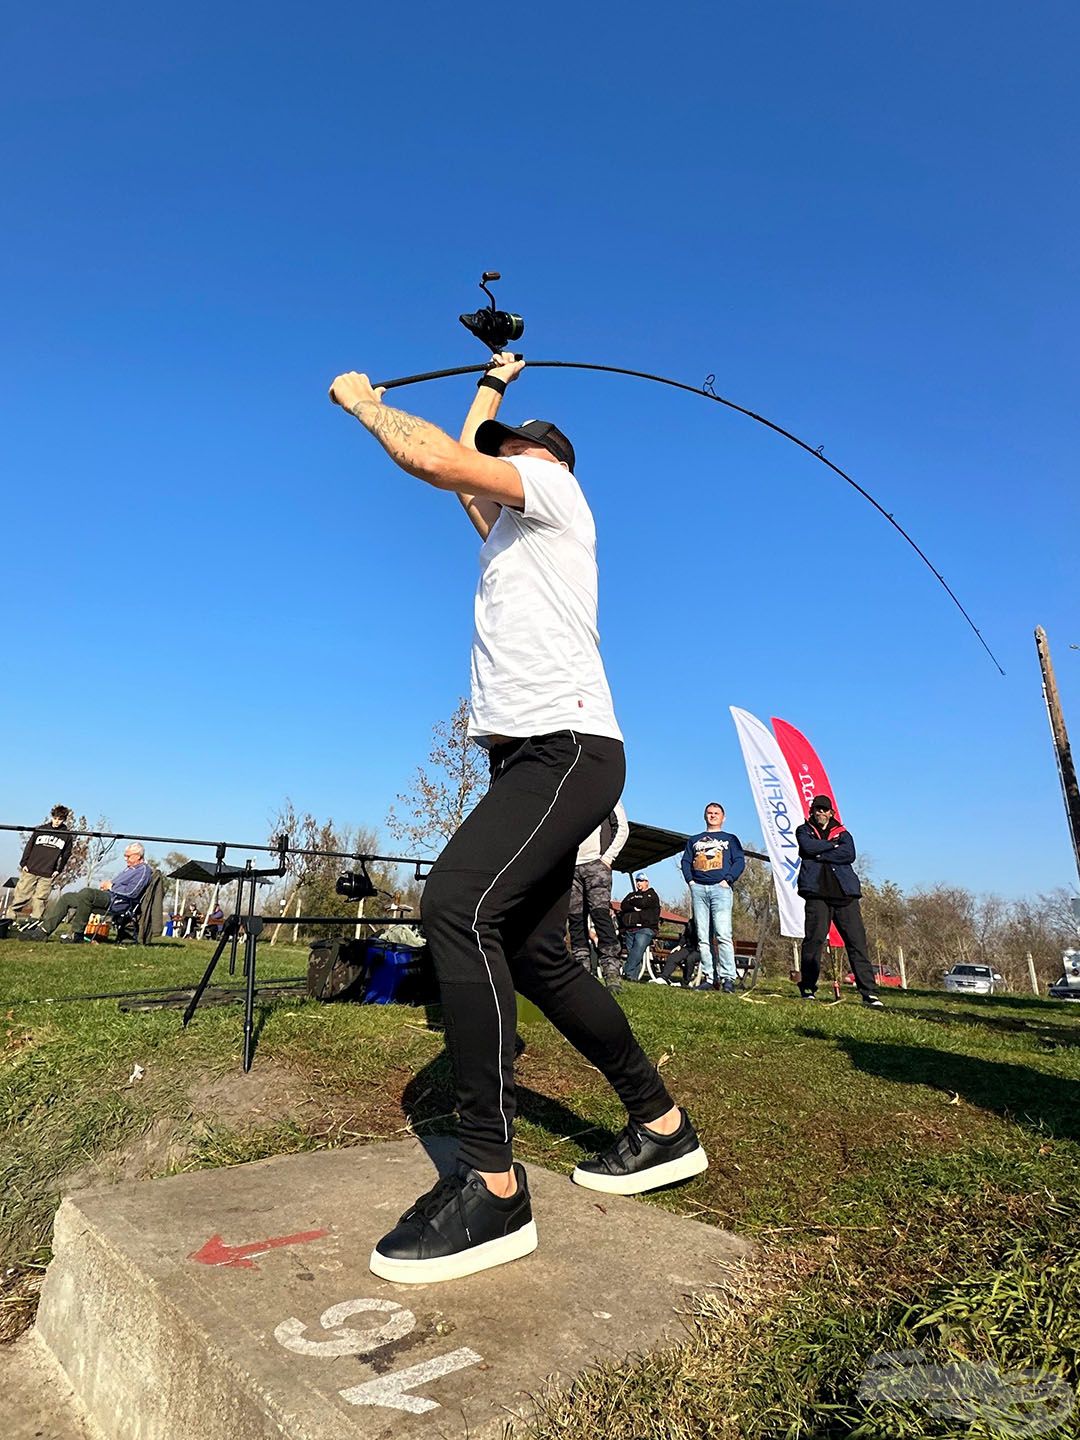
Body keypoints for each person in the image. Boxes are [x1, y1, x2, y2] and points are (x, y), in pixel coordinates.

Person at [329, 354, 708, 1284]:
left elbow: (443, 463)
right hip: (535, 757)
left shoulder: (555, 492)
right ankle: (663, 1127)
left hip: (565, 748)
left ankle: (493, 1190)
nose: (498, 462)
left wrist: (367, 405)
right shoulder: (512, 534)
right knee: (534, 951)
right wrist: (494, 381)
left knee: (457, 906)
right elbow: (462, 459)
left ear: (547, 464)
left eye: (514, 453)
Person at [795, 796, 882, 1008]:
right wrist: (832, 848)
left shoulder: (843, 833)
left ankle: (868, 993)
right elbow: (807, 847)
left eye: (824, 810)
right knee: (814, 941)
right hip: (817, 894)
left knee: (856, 942)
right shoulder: (803, 830)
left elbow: (849, 854)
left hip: (845, 895)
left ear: (831, 812)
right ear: (812, 811)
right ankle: (808, 987)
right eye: (817, 809)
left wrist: (820, 852)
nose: (821, 813)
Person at [25, 842, 153, 944]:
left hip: (118, 902)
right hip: (110, 896)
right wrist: (108, 886)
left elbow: (132, 892)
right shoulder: (130, 869)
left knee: (87, 893)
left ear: (138, 855)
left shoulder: (143, 870)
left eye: (128, 856)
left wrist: (111, 886)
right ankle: (43, 931)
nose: (125, 858)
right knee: (67, 898)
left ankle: (77, 934)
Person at [681, 803, 745, 992]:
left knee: (723, 935)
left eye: (716, 813)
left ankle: (728, 978)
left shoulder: (730, 839)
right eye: (709, 813)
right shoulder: (694, 840)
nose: (713, 816)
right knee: (703, 936)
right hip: (699, 889)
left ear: (723, 817)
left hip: (721, 890)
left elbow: (739, 861)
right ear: (704, 816)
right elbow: (685, 861)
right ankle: (710, 977)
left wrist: (728, 880)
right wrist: (691, 881)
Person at [567, 800, 628, 990]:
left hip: (597, 865)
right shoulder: (567, 797)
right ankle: (581, 972)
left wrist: (607, 858)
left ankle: (611, 972)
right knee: (575, 919)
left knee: (600, 915)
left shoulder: (608, 795)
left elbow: (622, 827)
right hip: (571, 868)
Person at [9, 805, 73, 926]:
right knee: (21, 896)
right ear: (52, 817)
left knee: (40, 899)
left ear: (64, 819)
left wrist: (58, 870)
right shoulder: (41, 829)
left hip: (47, 873)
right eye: (55, 818)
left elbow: (66, 855)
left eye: (60, 819)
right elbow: (29, 846)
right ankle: (9, 919)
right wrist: (24, 863)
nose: (56, 821)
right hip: (31, 869)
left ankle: (34, 922)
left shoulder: (67, 835)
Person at [619, 873, 661, 981]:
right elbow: (623, 905)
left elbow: (643, 902)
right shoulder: (631, 894)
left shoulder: (652, 894)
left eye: (641, 881)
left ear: (647, 882)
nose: (638, 883)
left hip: (645, 929)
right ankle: (632, 978)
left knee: (636, 951)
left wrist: (632, 904)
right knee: (632, 954)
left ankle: (627, 971)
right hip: (630, 928)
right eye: (637, 881)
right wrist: (634, 906)